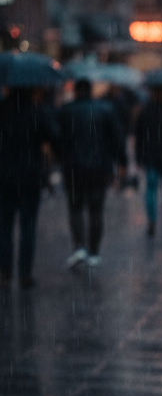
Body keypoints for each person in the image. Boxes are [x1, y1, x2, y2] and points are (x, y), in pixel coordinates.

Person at [58, 77, 127, 268]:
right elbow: (117, 138)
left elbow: (58, 139)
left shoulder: (66, 111)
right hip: (99, 168)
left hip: (73, 167)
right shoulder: (106, 110)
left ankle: (80, 246)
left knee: (75, 207)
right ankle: (94, 251)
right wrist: (122, 162)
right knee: (96, 210)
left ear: (76, 91)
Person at [0, 87, 59, 287]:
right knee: (28, 224)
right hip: (30, 175)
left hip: (4, 175)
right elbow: (53, 137)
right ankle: (25, 273)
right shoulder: (36, 112)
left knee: (4, 225)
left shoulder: (2, 110)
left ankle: (4, 271)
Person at [135, 85, 162, 236]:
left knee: (151, 190)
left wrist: (139, 157)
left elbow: (139, 137)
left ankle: (152, 221)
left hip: (151, 157)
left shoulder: (145, 113)